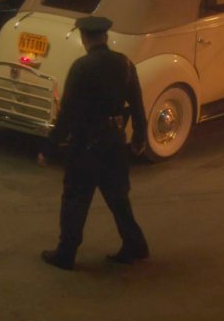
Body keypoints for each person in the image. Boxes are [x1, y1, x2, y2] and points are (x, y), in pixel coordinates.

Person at [38, 15, 149, 271]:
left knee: (75, 199)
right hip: (114, 143)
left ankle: (66, 253)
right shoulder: (125, 64)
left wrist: (50, 147)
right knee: (118, 198)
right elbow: (137, 105)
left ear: (84, 37)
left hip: (85, 144)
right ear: (105, 37)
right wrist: (139, 138)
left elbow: (66, 113)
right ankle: (135, 244)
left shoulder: (82, 67)